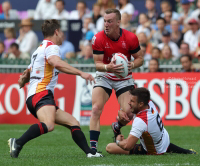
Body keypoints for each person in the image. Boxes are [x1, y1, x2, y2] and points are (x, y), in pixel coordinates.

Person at [8, 19, 103, 158]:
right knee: (49, 125)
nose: (63, 35)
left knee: (73, 122)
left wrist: (23, 80)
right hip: (41, 93)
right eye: (61, 32)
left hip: (36, 95)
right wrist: (81, 72)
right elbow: (55, 62)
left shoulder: (38, 49)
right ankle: (17, 142)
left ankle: (90, 153)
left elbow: (29, 71)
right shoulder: (52, 47)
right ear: (56, 32)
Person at [90, 8, 144, 152]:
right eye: (105, 21)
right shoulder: (98, 38)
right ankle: (92, 149)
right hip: (105, 75)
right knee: (96, 108)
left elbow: (140, 59)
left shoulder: (131, 37)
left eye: (110, 21)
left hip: (123, 78)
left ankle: (117, 127)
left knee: (128, 114)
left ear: (118, 22)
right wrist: (108, 67)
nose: (106, 24)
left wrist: (131, 64)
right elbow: (97, 64)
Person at [107, 88, 197, 155]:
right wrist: (121, 110)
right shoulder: (149, 103)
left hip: (153, 150)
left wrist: (118, 141)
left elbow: (127, 146)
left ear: (141, 104)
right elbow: (132, 109)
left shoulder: (140, 121)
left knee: (110, 147)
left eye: (132, 101)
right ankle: (187, 152)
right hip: (164, 138)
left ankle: (117, 128)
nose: (129, 103)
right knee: (129, 113)